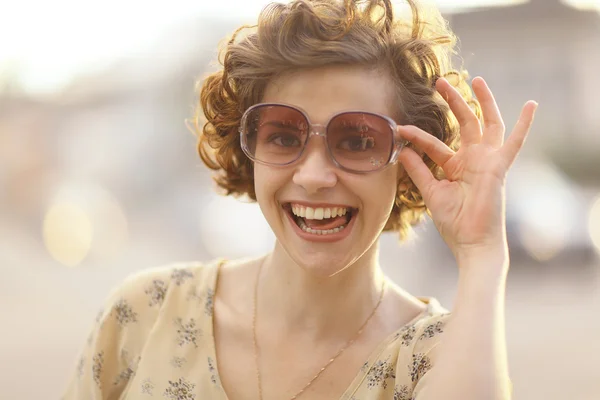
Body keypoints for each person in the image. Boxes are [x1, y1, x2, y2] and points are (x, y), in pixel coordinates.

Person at [62, 0, 537, 399]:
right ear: (249, 152)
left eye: (356, 141)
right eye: (284, 137)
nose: (313, 177)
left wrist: (480, 253)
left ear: (408, 160)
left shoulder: (438, 358)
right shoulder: (144, 313)